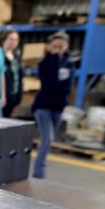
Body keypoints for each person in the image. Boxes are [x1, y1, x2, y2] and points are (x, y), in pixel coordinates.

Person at [31, 30, 73, 179]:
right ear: (50, 47)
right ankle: (39, 172)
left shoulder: (69, 64)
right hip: (43, 106)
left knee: (50, 140)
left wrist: (59, 89)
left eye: (61, 46)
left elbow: (68, 86)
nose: (57, 49)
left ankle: (40, 169)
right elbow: (49, 83)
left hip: (58, 106)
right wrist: (54, 58)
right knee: (47, 139)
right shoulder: (45, 63)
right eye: (55, 46)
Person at [0, 29, 23, 118]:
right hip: (3, 97)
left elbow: (18, 77)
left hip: (13, 96)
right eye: (11, 39)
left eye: (16, 39)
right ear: (4, 40)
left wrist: (18, 96)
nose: (14, 42)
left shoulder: (16, 55)